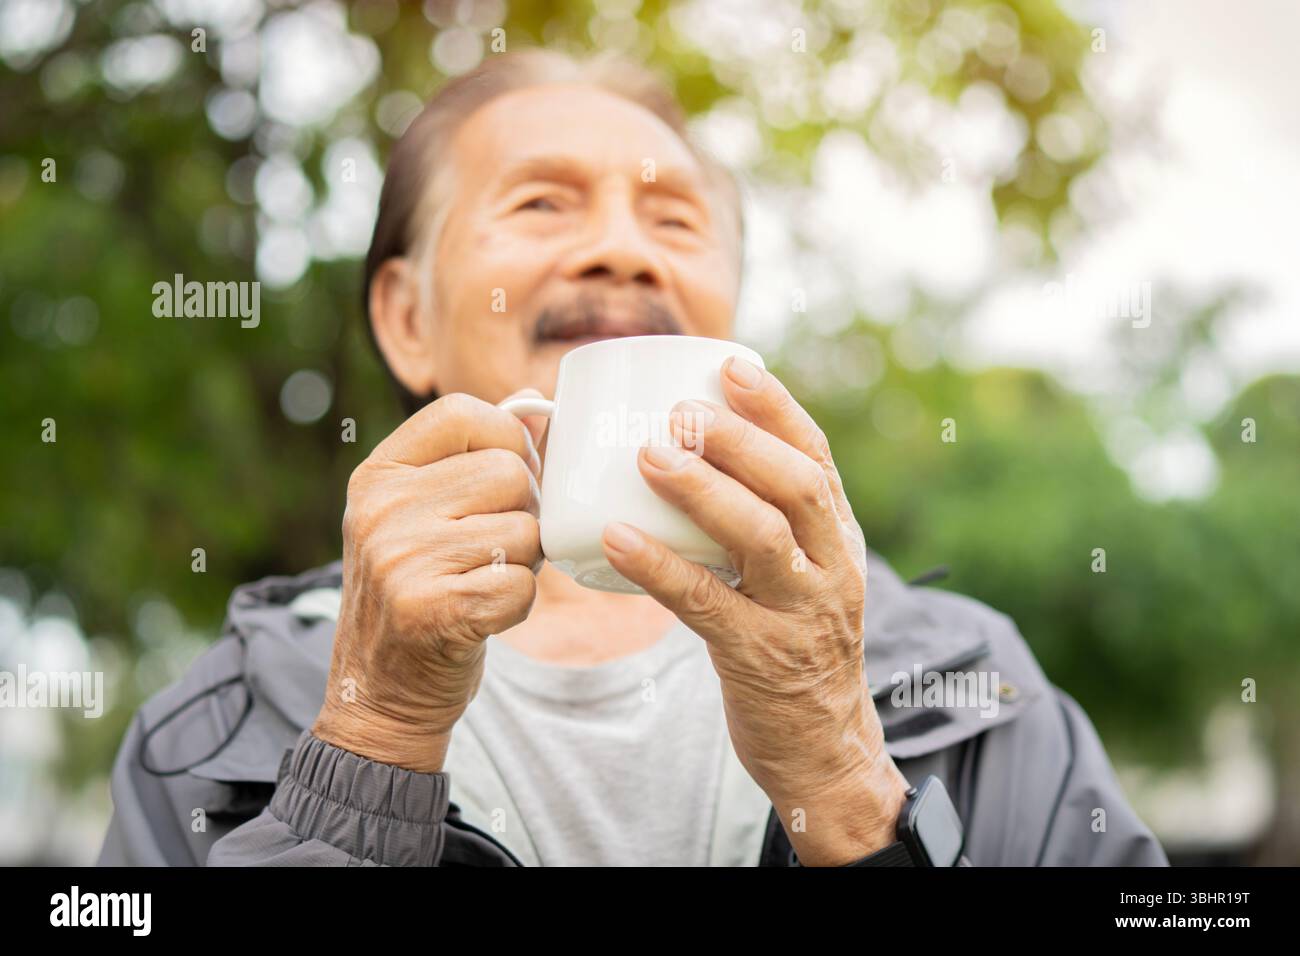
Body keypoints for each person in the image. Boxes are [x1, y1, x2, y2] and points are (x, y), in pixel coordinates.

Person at [96, 49, 1167, 867]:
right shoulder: (215, 726)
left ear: (727, 320)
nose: (625, 247)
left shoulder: (975, 684)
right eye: (541, 202)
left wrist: (843, 782)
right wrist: (374, 734)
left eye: (675, 217)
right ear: (405, 318)